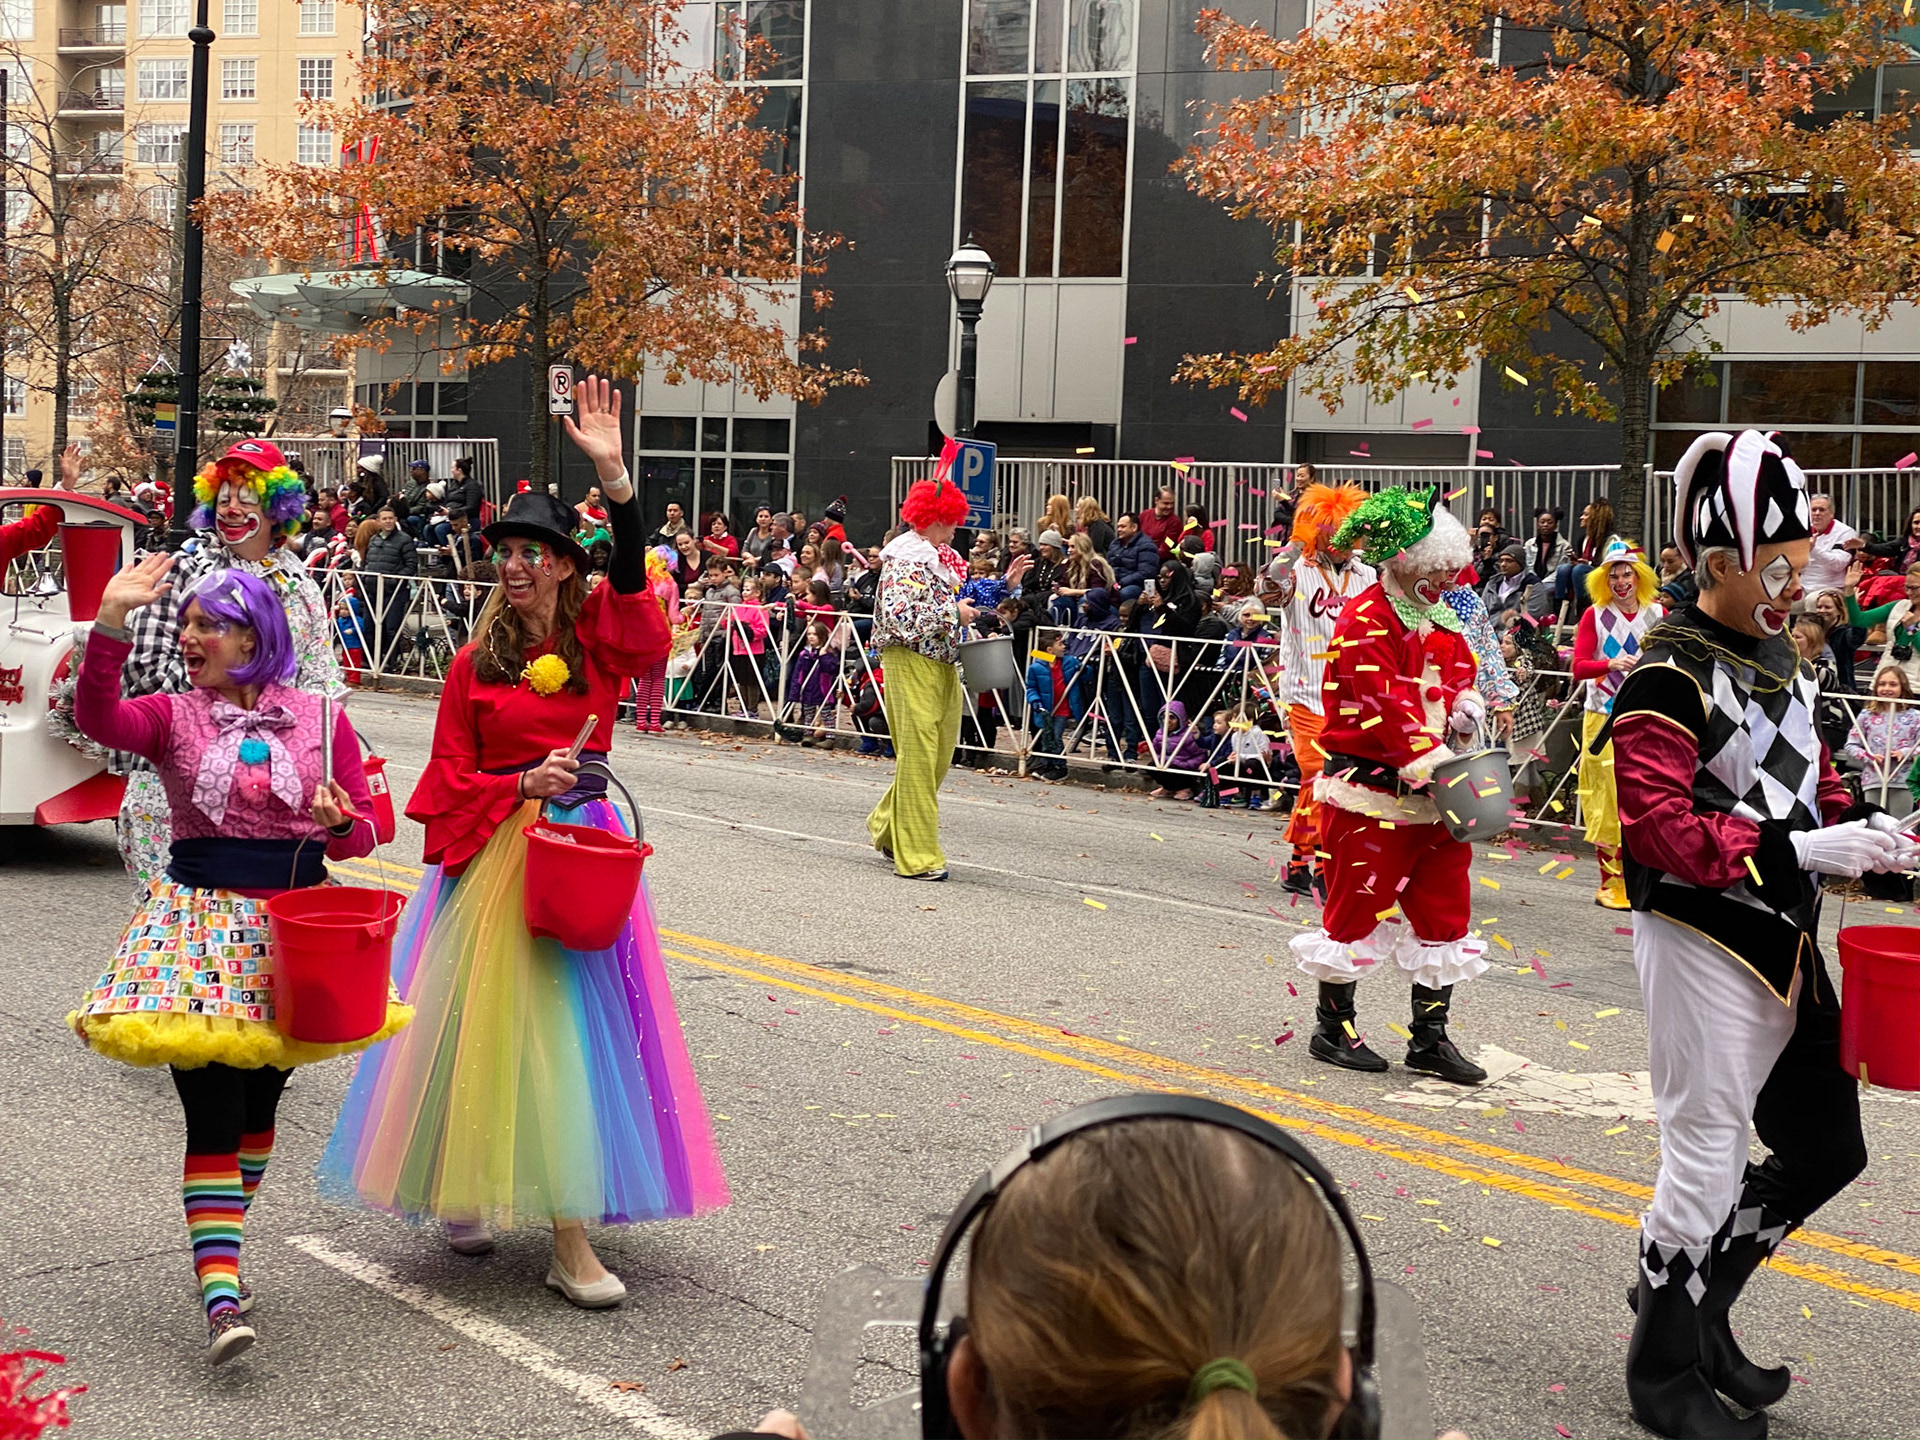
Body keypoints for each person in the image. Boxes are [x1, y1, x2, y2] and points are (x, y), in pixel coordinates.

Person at [320, 376, 727, 1303]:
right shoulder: (473, 663)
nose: (515, 565)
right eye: (505, 550)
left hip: (576, 851)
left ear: (563, 567)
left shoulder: (600, 640)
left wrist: (615, 478)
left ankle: (568, 1238)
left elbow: (635, 582)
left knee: (570, 1031)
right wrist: (516, 786)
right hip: (492, 849)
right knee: (475, 1024)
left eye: (534, 552)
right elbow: (446, 782)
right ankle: (465, 1184)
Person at [1610, 428, 1907, 1440]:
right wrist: (1805, 851)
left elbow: (1809, 771)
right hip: (1702, 942)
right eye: (1777, 567)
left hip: (1783, 942)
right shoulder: (1664, 674)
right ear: (1721, 560)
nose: (1796, 585)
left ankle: (1697, 1306)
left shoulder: (1775, 650)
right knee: (1703, 1151)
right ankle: (1663, 1374)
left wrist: (1865, 831)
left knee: (1828, 1144)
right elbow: (1656, 827)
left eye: (1800, 564)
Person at [70, 559, 407, 1365]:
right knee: (212, 1113)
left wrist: (338, 824)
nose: (188, 639)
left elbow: (362, 835)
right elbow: (98, 719)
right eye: (185, 625)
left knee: (260, 1112)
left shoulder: (323, 719)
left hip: (294, 940)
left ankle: (222, 1241)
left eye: (206, 626)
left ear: (253, 637)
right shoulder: (171, 717)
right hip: (196, 937)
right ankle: (222, 1291)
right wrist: (111, 626)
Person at [1288, 487, 1489, 1086]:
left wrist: (1465, 708)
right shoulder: (1367, 617)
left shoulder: (1441, 616)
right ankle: (1332, 1028)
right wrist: (1425, 757)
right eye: (1437, 570)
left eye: (1451, 571)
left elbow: (1459, 674)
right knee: (1353, 910)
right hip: (1372, 792)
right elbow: (1382, 702)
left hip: (1438, 792)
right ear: (1404, 560)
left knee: (1445, 913)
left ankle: (1430, 1038)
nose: (1447, 581)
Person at [117, 439, 345, 890]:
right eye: (223, 497)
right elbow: (143, 673)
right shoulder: (184, 570)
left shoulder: (298, 584)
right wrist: (226, 684)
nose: (232, 508)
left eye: (247, 497)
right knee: (184, 935)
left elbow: (321, 681)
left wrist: (329, 760)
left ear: (278, 507)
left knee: (264, 938)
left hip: (274, 788)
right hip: (177, 792)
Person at [866, 466, 976, 881]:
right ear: (932, 520)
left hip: (943, 662)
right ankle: (917, 855)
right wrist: (953, 612)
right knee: (918, 757)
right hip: (909, 661)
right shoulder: (904, 560)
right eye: (950, 524)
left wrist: (1007, 585)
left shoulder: (933, 558)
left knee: (938, 756)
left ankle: (886, 825)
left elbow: (963, 600)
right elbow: (899, 616)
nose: (954, 532)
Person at [1265, 483, 1374, 895]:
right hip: (1307, 694)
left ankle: (1297, 863)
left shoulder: (1367, 576)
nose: (1343, 541)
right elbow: (1266, 587)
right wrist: (1295, 543)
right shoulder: (1297, 571)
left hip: (1352, 699)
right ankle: (1326, 871)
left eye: (1349, 531)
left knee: (1332, 782)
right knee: (1321, 774)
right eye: (1332, 531)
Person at [1569, 540, 1661, 909]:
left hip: (1647, 717)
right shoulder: (1595, 615)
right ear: (1603, 581)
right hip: (1604, 716)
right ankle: (1610, 882)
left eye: (1626, 573)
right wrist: (1610, 664)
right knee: (1606, 797)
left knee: (1648, 795)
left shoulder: (1658, 614)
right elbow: (1577, 667)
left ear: (1638, 576)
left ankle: (1646, 878)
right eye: (1613, 575)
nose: (1621, 581)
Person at [1845, 663, 1920, 817]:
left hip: (1903, 780)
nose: (1887, 688)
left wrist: (1906, 753)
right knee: (1875, 824)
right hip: (1873, 779)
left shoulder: (1915, 716)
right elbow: (1851, 744)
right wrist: (1868, 757)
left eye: (1893, 684)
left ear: (1902, 687)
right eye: (1882, 684)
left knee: (1899, 826)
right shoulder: (1867, 715)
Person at [1842, 558, 1920, 693]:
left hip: (1914, 688)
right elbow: (1860, 620)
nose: (1909, 592)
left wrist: (1912, 629)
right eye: (1906, 587)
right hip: (1884, 682)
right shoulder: (1898, 606)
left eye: (1914, 588)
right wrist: (1849, 591)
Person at [359, 504, 419, 669]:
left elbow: (411, 565)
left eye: (390, 518)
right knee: (369, 626)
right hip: (372, 589)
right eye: (384, 519)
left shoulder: (404, 539)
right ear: (378, 521)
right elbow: (368, 562)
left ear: (396, 520)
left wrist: (394, 580)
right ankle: (369, 660)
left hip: (393, 592)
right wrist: (365, 576)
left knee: (391, 628)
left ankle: (390, 662)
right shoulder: (374, 539)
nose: (388, 522)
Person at [1555, 499, 1617, 615]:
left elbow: (1611, 565)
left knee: (1580, 570)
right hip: (1582, 574)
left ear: (1596, 517)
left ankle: (1584, 610)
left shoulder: (1610, 539)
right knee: (1564, 569)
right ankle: (1560, 610)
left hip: (1603, 578)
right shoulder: (1582, 539)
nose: (1581, 517)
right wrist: (1575, 560)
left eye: (1586, 515)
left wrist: (1588, 564)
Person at [1800, 491, 1859, 595]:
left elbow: (1838, 564)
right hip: (1802, 586)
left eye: (1822, 510)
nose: (1817, 513)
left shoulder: (1845, 532)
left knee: (1812, 601)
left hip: (1831, 588)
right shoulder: (1801, 530)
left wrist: (1813, 549)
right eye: (1814, 510)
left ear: (1831, 513)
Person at [1106, 511, 1159, 615]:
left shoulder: (1147, 545)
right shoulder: (1115, 544)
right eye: (1118, 527)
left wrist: (1121, 583)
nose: (1119, 530)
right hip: (1115, 582)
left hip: (1135, 585)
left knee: (1125, 593)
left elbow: (1146, 572)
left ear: (1134, 527)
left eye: (1123, 527)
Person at [1478, 541, 1539, 624]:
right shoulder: (1492, 583)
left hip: (1516, 632)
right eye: (1501, 561)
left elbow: (1533, 616)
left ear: (1520, 564)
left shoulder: (1533, 585)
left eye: (1509, 561)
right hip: (1489, 632)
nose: (1503, 564)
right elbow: (1481, 610)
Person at [1529, 507, 1573, 582]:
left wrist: (1543, 583)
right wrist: (1535, 581)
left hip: (1553, 582)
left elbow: (1561, 569)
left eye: (1550, 522)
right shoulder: (1530, 544)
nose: (1546, 525)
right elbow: (1528, 567)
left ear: (1555, 526)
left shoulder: (1564, 545)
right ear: (1537, 525)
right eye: (1542, 522)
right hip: (1533, 580)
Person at [1139, 486, 1182, 557]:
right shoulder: (1144, 515)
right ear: (1156, 500)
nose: (1169, 507)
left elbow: (1167, 548)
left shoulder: (1174, 522)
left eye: (1172, 503)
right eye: (1166, 503)